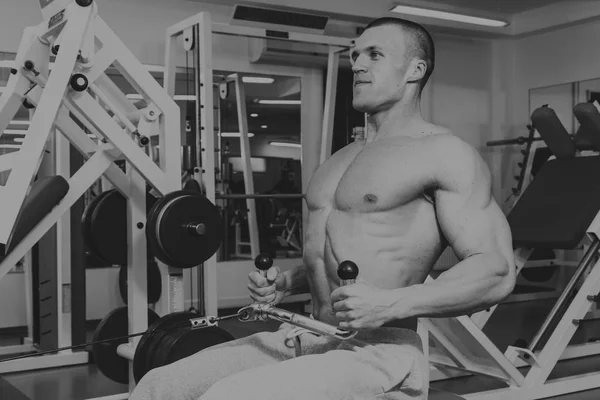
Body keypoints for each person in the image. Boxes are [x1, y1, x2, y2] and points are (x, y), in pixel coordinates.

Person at [130, 16, 516, 400]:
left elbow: (496, 270)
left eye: (374, 55)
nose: (358, 65)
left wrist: (390, 303)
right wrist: (289, 281)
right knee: (159, 386)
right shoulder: (338, 160)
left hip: (378, 349)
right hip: (306, 332)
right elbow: (347, 252)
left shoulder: (445, 154)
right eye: (355, 55)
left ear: (415, 70)